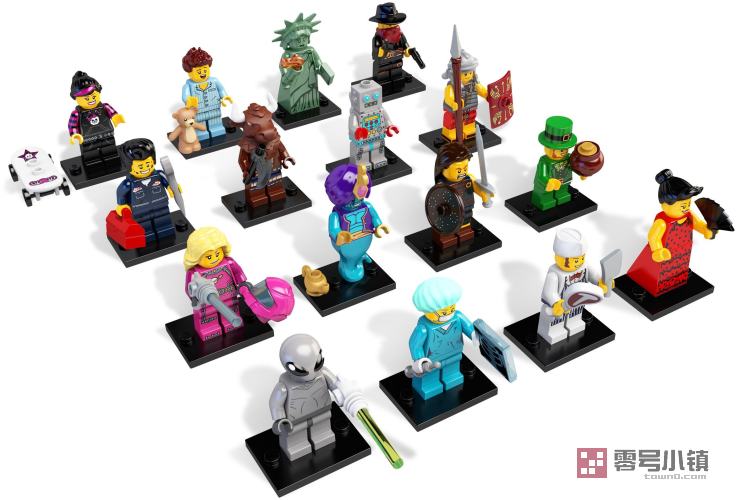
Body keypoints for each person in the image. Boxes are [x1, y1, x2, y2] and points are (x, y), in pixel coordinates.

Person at [627, 170, 714, 297]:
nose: (686, 208)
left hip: (682, 251)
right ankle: (652, 284)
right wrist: (658, 250)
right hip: (664, 253)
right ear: (665, 205)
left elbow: (698, 223)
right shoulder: (662, 222)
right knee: (654, 272)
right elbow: (653, 237)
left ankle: (676, 280)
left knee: (678, 268)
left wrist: (705, 230)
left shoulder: (689, 215)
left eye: (688, 204)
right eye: (683, 205)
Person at [115, 139, 179, 246]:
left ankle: (166, 234)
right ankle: (147, 239)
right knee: (144, 227)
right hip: (140, 211)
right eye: (140, 166)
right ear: (129, 166)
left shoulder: (159, 175)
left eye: (148, 164)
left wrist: (173, 188)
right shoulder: (129, 183)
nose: (145, 168)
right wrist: (122, 205)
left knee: (164, 222)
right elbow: (121, 192)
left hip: (161, 205)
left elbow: (168, 183)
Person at [67, 71, 124, 176]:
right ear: (76, 98)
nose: (91, 100)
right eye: (86, 98)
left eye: (93, 97)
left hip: (107, 134)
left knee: (110, 149)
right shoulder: (77, 113)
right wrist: (75, 134)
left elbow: (113, 114)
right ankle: (92, 164)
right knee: (90, 153)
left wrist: (116, 118)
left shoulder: (104, 106)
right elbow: (72, 125)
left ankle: (112, 160)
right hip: (87, 138)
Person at [181, 47, 232, 142]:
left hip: (214, 107)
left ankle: (217, 129)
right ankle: (201, 133)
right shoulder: (188, 85)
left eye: (205, 70)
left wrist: (225, 97)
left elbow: (221, 90)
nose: (202, 74)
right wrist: (189, 101)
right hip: (198, 110)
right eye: (199, 71)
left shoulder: (214, 81)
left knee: (215, 120)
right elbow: (185, 97)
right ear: (190, 72)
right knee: (200, 122)